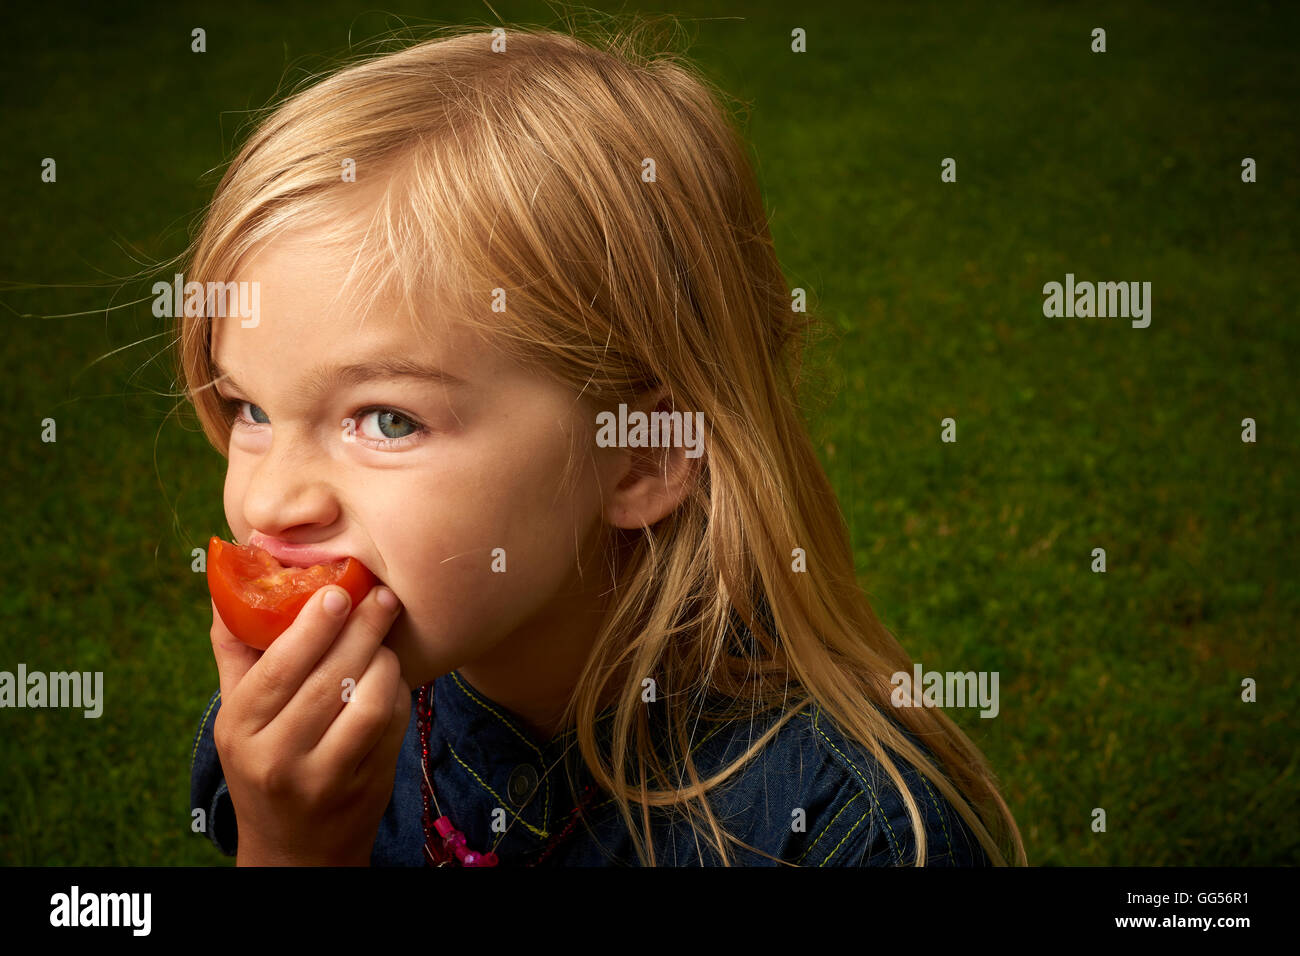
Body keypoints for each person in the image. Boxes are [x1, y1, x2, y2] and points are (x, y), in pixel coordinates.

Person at [185, 23, 1025, 867]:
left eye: (388, 420)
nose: (268, 503)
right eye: (250, 409)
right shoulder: (290, 736)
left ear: (643, 454)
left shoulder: (840, 833)